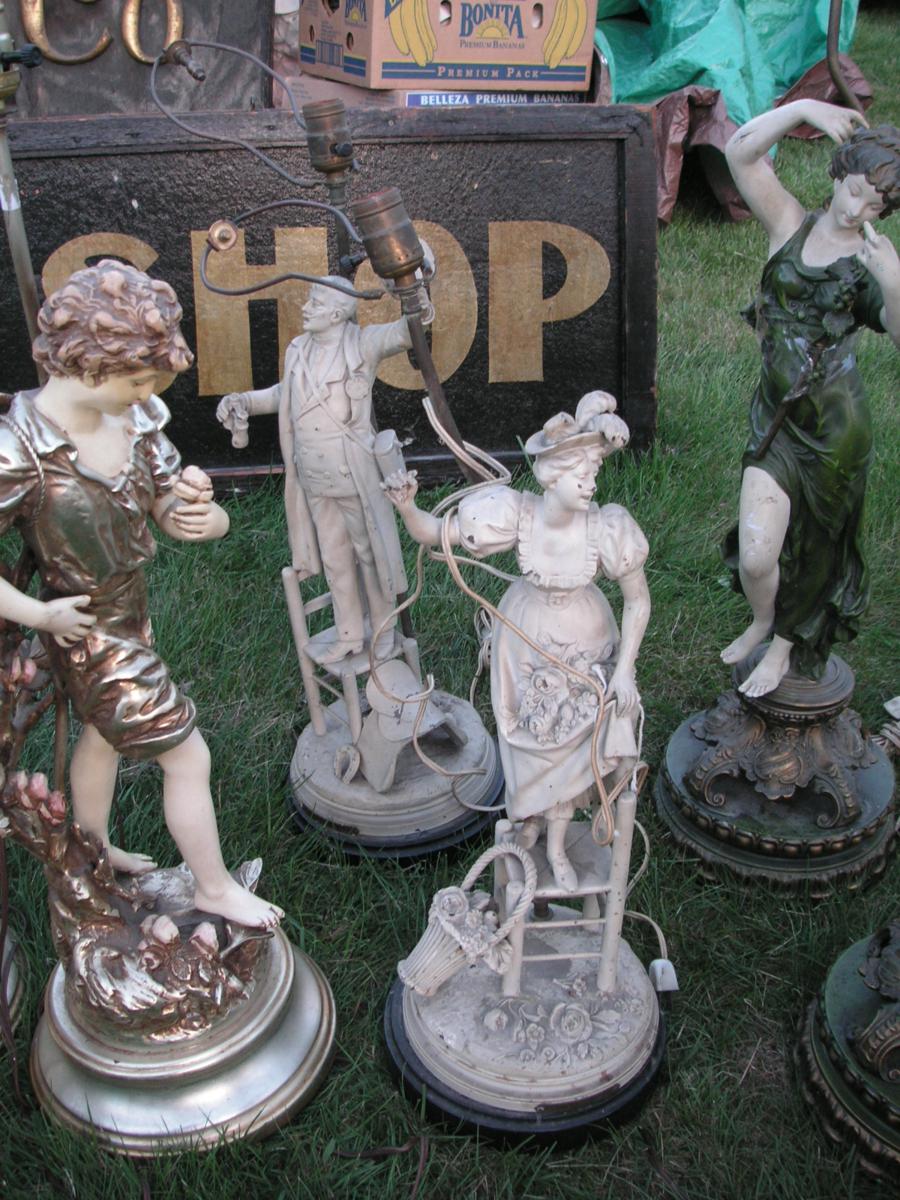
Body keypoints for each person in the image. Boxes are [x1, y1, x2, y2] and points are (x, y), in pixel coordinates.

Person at [0, 260, 283, 929]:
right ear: (88, 364)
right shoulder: (21, 451)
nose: (147, 395)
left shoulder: (131, 420)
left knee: (103, 738)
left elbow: (174, 512)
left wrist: (200, 514)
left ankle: (93, 853)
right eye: (137, 381)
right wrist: (38, 614)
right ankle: (213, 887)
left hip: (130, 613)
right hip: (87, 629)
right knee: (187, 753)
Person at [384, 392, 650, 892]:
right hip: (526, 642)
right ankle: (529, 815)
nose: (591, 484)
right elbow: (435, 534)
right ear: (552, 476)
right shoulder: (515, 514)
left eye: (594, 472)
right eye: (580, 474)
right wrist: (407, 507)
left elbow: (638, 600)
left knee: (575, 741)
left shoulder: (606, 527)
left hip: (586, 642)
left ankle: (556, 843)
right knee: (529, 741)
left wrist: (625, 670)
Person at [721, 102, 900, 697]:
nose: (855, 209)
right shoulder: (789, 226)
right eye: (854, 190)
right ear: (839, 174)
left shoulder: (868, 267)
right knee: (757, 555)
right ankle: (763, 619)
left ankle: (784, 647)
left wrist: (893, 282)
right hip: (776, 420)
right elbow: (740, 154)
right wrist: (802, 108)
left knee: (819, 548)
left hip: (835, 432)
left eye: (873, 206)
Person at [216, 278, 419, 665]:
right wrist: (245, 401)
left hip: (352, 473)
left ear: (338, 314)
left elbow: (409, 332)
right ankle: (349, 633)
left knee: (370, 555)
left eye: (316, 303)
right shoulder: (299, 349)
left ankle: (382, 629)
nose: (306, 308)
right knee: (334, 557)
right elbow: (285, 394)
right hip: (313, 474)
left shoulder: (362, 344)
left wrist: (413, 286)